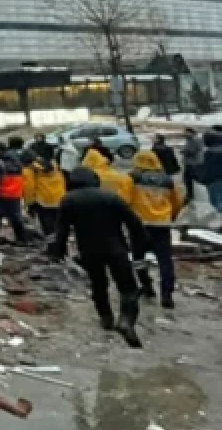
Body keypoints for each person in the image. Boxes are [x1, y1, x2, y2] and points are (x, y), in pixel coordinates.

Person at [50, 166, 149, 348]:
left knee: (99, 285)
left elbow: (61, 231)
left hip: (89, 251)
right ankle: (126, 321)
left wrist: (59, 252)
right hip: (116, 249)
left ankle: (106, 319)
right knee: (128, 288)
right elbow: (134, 223)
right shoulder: (111, 197)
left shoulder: (68, 200)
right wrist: (140, 247)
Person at [129, 150, 184, 308]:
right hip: (161, 225)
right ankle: (167, 294)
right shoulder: (167, 180)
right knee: (165, 260)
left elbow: (126, 198)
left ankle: (146, 285)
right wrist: (171, 217)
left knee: (138, 258)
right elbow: (177, 202)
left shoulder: (133, 178)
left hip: (139, 225)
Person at [0, 136, 28, 244]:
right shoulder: (19, 161)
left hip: (1, 194)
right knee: (16, 217)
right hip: (15, 194)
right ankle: (22, 239)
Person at [24, 154, 66, 237]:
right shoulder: (56, 165)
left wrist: (29, 203)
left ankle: (51, 246)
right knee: (58, 225)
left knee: (47, 227)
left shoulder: (31, 169)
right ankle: (59, 244)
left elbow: (29, 187)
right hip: (59, 199)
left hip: (42, 201)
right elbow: (63, 182)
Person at [198, 130, 222, 211]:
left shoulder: (207, 153)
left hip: (213, 181)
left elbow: (205, 170)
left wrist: (202, 180)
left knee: (216, 202)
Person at [182, 127, 204, 205]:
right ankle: (190, 194)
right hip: (190, 163)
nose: (184, 133)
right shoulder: (190, 139)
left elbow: (196, 151)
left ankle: (190, 195)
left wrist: (185, 151)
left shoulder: (195, 140)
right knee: (187, 179)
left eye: (186, 132)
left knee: (189, 179)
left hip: (193, 163)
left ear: (191, 132)